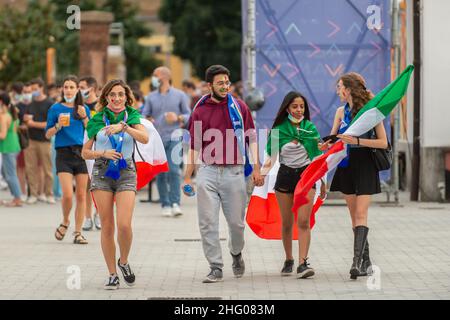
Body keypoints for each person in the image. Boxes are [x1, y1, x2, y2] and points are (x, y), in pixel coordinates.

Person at [183, 65, 263, 283]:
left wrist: (257, 167)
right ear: (210, 86)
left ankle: (236, 253)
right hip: (207, 172)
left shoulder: (239, 107)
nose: (225, 86)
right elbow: (194, 145)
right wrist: (187, 176)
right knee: (207, 222)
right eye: (220, 83)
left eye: (227, 82)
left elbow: (252, 138)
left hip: (235, 172)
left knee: (236, 224)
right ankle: (215, 266)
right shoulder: (200, 110)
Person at [320, 72, 388, 280]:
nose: (337, 90)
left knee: (360, 215)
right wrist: (325, 145)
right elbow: (334, 139)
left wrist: (356, 141)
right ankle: (366, 260)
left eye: (339, 86)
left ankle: (356, 263)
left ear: (348, 89)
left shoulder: (371, 112)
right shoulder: (340, 112)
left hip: (365, 165)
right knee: (353, 217)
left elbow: (383, 143)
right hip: (346, 166)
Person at [82, 79, 148, 290]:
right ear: (106, 97)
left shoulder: (132, 116)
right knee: (108, 226)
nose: (117, 98)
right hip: (102, 172)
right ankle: (112, 274)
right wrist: (102, 152)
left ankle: (124, 261)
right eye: (112, 95)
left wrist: (125, 127)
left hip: (126, 171)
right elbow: (84, 152)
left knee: (125, 225)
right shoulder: (97, 119)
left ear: (126, 96)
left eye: (120, 94)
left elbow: (145, 138)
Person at [260, 91, 326, 278]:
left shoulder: (310, 129)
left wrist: (322, 182)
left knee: (304, 221)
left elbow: (318, 159)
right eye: (295, 106)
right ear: (287, 108)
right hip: (285, 178)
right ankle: (288, 259)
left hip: (306, 178)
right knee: (287, 223)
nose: (299, 110)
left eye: (302, 107)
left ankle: (303, 263)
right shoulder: (277, 131)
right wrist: (262, 175)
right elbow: (270, 160)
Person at [45, 75, 91, 245]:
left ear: (77, 89)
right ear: (62, 89)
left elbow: (92, 131)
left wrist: (84, 116)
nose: (69, 90)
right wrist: (58, 126)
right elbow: (47, 134)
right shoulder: (55, 109)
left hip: (81, 153)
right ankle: (65, 220)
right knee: (67, 194)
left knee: (81, 195)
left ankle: (78, 232)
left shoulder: (83, 109)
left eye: (72, 87)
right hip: (63, 152)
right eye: (66, 87)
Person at [143, 66, 191, 217]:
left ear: (163, 77)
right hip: (157, 138)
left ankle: (175, 202)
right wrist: (147, 119)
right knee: (161, 172)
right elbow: (143, 115)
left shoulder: (180, 95)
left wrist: (178, 118)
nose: (153, 78)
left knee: (174, 170)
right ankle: (165, 203)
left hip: (175, 136)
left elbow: (189, 114)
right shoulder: (150, 97)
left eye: (154, 75)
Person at [23, 77, 55, 204]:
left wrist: (32, 123)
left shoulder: (49, 103)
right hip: (31, 140)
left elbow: (50, 124)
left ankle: (49, 194)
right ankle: (34, 194)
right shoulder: (30, 104)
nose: (33, 92)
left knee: (47, 169)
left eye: (35, 89)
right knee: (31, 169)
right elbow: (27, 121)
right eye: (32, 90)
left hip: (45, 140)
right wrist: (26, 122)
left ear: (42, 88)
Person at [79, 76, 101, 231]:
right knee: (86, 186)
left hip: (98, 148)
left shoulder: (101, 106)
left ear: (91, 88)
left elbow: (94, 128)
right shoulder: (77, 105)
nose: (80, 90)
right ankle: (87, 216)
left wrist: (85, 118)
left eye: (82, 87)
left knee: (99, 185)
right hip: (81, 149)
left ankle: (99, 214)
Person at [0, 92, 23, 207]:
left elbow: (2, 135)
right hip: (13, 146)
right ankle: (16, 196)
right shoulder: (12, 112)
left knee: (10, 174)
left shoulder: (4, 116)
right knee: (7, 173)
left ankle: (17, 199)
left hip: (8, 147)